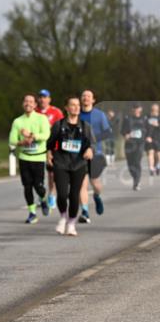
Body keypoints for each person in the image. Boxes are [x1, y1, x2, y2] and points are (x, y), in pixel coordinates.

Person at [47, 97, 94, 236]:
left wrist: (90, 150)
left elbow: (92, 144)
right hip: (61, 163)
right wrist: (49, 154)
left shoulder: (85, 126)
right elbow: (50, 143)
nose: (76, 107)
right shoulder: (59, 125)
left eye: (78, 105)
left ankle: (72, 223)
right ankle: (63, 216)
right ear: (66, 108)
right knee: (61, 194)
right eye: (72, 105)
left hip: (78, 164)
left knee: (74, 196)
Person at [9, 94, 51, 224]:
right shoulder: (18, 121)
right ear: (23, 104)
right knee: (27, 186)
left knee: (38, 186)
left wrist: (32, 136)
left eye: (31, 102)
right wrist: (23, 143)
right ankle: (32, 213)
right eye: (26, 101)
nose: (28, 103)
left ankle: (43, 199)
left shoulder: (42, 118)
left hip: (38, 158)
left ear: (35, 105)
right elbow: (12, 140)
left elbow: (46, 135)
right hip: (24, 157)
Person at [78, 89, 112, 222]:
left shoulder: (99, 115)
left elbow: (107, 133)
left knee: (95, 184)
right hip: (78, 155)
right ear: (81, 99)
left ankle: (97, 196)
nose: (85, 98)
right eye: (83, 96)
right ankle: (85, 212)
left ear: (93, 100)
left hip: (95, 154)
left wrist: (92, 139)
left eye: (88, 96)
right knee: (82, 184)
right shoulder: (76, 114)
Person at [35, 89, 65, 209]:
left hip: (53, 146)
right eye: (40, 97)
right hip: (37, 147)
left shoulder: (56, 112)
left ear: (49, 99)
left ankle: (52, 195)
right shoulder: (34, 111)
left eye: (45, 97)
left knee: (52, 173)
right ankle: (41, 194)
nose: (42, 99)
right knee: (38, 173)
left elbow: (62, 128)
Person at [121, 103, 148, 191]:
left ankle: (136, 182)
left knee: (137, 162)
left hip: (140, 143)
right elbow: (122, 130)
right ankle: (135, 178)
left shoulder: (144, 119)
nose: (136, 110)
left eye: (137, 108)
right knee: (130, 164)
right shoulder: (127, 118)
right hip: (129, 144)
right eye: (134, 108)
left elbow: (148, 130)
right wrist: (126, 135)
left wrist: (147, 136)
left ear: (141, 109)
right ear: (132, 110)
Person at [147, 103, 160, 176]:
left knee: (158, 154)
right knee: (150, 152)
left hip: (158, 137)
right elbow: (145, 126)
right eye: (153, 108)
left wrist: (158, 125)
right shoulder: (148, 117)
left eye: (156, 108)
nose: (154, 109)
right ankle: (151, 168)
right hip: (150, 138)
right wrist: (147, 136)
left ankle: (158, 166)